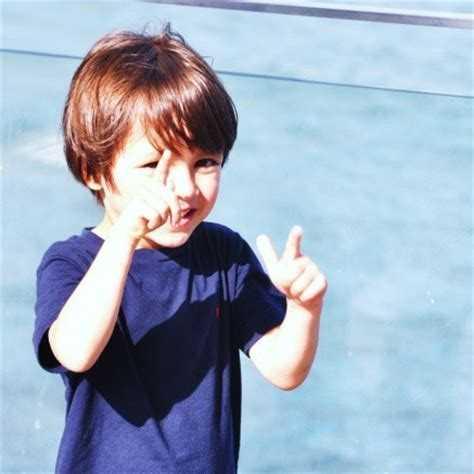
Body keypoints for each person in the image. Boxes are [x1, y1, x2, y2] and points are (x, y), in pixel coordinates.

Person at [32, 22, 328, 473]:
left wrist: (304, 309)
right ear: (94, 171)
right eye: (154, 165)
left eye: (205, 162)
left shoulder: (223, 255)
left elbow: (284, 370)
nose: (185, 188)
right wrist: (126, 237)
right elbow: (75, 351)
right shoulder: (72, 262)